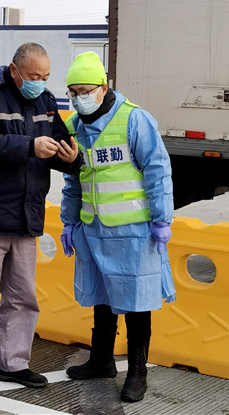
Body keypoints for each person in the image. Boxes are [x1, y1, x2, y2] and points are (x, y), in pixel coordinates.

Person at [0, 43, 81, 401]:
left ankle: (14, 363)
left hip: (27, 216)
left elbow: (57, 143)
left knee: (22, 298)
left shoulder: (45, 101)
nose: (40, 82)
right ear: (14, 71)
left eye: (45, 76)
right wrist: (29, 146)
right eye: (33, 76)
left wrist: (71, 158)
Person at [60, 51, 176, 403]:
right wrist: (68, 221)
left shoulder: (133, 119)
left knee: (137, 301)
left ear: (103, 87)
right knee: (101, 295)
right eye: (73, 92)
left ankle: (138, 372)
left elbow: (157, 170)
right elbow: (73, 180)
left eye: (85, 91)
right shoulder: (74, 126)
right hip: (93, 227)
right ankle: (101, 360)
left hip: (134, 230)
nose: (79, 99)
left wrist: (162, 219)